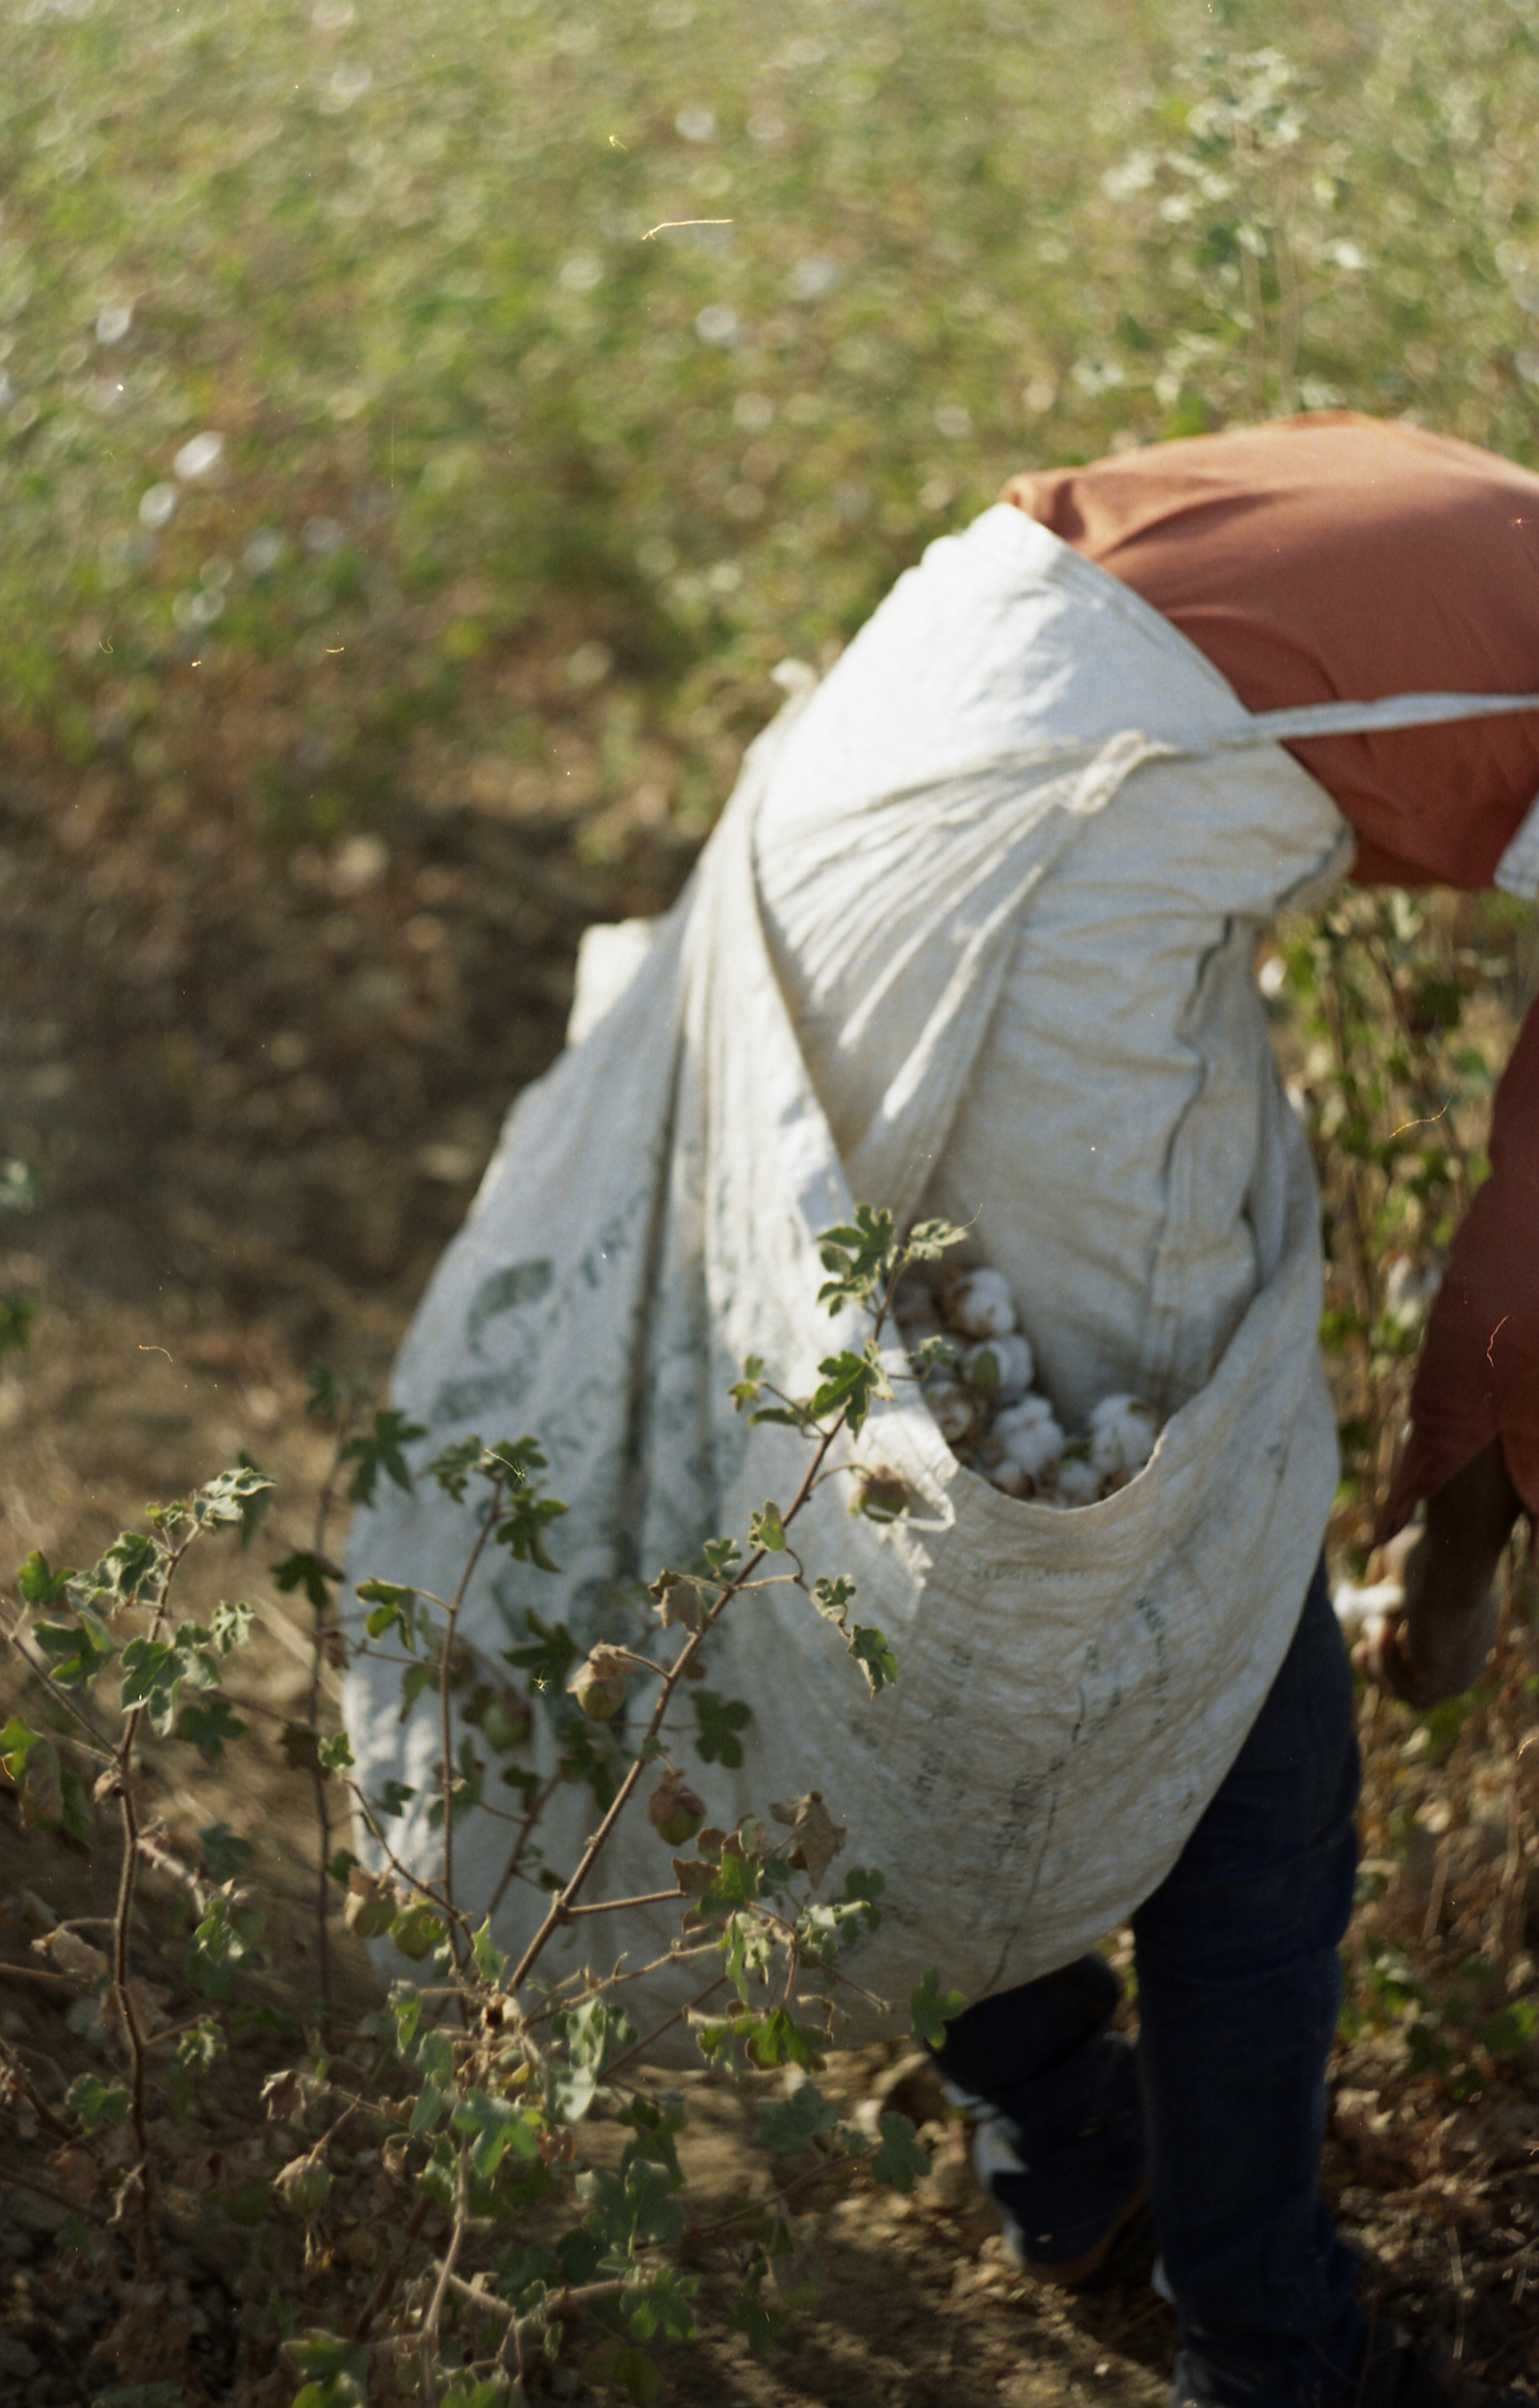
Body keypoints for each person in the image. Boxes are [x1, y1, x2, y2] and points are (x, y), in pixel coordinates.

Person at [796, 414, 1534, 2408]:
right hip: (1041, 894)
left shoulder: (1474, 509)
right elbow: (1530, 1262)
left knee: (986, 1516)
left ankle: (1065, 2150)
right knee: (1216, 1664)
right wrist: (1447, 1568)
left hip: (849, 804)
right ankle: (1270, 2345)